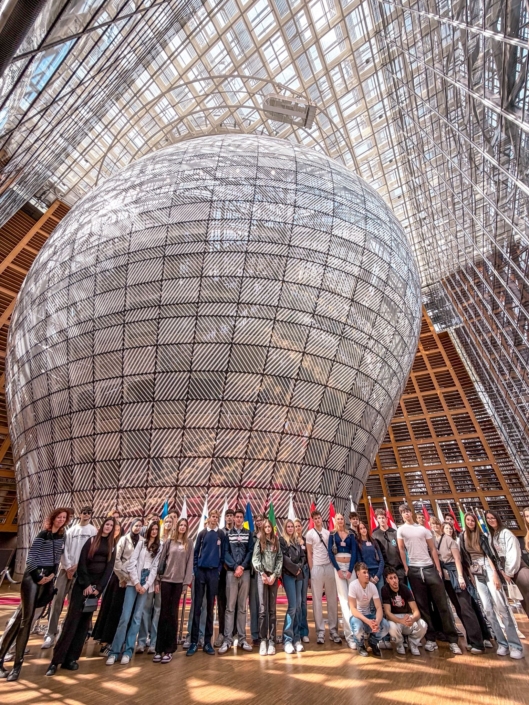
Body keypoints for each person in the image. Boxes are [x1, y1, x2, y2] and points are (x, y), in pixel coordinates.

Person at [0, 508, 70, 681]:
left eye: (64, 517)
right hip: (32, 578)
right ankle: (17, 667)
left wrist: (52, 576)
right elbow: (30, 559)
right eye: (59, 517)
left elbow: (56, 559)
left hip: (47, 580)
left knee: (20, 620)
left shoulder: (61, 536)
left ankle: (1, 658)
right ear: (53, 518)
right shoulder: (43, 534)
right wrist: (39, 577)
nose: (61, 520)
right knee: (26, 620)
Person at [45, 518, 116, 676]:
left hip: (95, 590)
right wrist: (86, 585)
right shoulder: (91, 540)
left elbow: (109, 569)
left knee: (84, 624)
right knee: (72, 621)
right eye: (107, 524)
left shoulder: (112, 545)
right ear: (102, 525)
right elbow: (82, 563)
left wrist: (98, 588)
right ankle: (56, 660)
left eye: (111, 525)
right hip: (82, 586)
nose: (108, 527)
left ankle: (71, 658)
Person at [396, 504, 462, 654]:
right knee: (423, 606)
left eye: (407, 511)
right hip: (414, 569)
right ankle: (430, 638)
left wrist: (437, 568)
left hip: (429, 567)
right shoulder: (401, 530)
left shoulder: (423, 529)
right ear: (401, 515)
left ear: (411, 513)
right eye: (403, 512)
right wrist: (406, 567)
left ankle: (452, 639)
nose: (406, 514)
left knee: (442, 604)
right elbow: (401, 549)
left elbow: (432, 549)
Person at [459, 513, 523, 659]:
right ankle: (502, 643)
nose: (470, 522)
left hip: (488, 567)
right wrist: (471, 576)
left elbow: (489, 555)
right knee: (488, 610)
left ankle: (515, 645)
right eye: (468, 520)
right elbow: (466, 559)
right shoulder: (463, 537)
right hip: (476, 571)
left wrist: (495, 574)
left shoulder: (482, 536)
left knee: (502, 607)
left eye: (472, 520)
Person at [106, 520, 162, 665]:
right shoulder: (141, 543)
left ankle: (128, 650)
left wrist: (146, 585)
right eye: (152, 529)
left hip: (146, 584)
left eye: (156, 529)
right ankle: (115, 651)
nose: (154, 531)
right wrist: (136, 582)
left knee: (137, 618)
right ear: (148, 530)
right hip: (134, 581)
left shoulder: (159, 546)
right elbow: (132, 563)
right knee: (125, 617)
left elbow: (155, 568)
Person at [42, 506, 97, 650]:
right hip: (65, 571)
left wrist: (78, 567)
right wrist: (67, 567)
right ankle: (50, 633)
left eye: (89, 513)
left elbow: (91, 553)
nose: (86, 515)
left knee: (74, 604)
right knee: (57, 600)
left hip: (81, 571)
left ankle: (66, 632)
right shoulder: (70, 531)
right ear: (80, 514)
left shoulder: (93, 531)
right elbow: (64, 550)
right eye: (84, 512)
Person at [430, 517, 485, 653]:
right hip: (446, 579)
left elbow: (457, 559)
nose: (435, 526)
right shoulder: (433, 541)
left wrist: (460, 576)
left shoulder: (449, 540)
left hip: (456, 575)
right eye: (433, 524)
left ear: (440, 526)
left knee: (466, 608)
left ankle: (478, 642)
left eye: (437, 524)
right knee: (459, 609)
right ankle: (470, 640)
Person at [93, 517, 143, 653]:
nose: (137, 528)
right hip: (119, 580)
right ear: (131, 526)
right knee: (114, 610)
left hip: (134, 580)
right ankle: (107, 641)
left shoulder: (142, 541)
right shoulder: (123, 539)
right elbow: (116, 560)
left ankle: (122, 642)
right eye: (136, 525)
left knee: (126, 613)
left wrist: (134, 578)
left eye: (140, 526)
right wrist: (123, 577)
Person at [186, 510, 226, 656]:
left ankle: (207, 642)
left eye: (217, 517)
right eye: (213, 517)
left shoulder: (221, 534)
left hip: (213, 573)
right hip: (201, 572)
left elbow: (223, 554)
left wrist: (218, 570)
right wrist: (196, 570)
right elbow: (196, 552)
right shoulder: (202, 534)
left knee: (210, 607)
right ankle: (194, 641)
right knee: (197, 606)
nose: (215, 519)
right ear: (208, 518)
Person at [154, 518, 193, 662]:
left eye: (184, 525)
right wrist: (157, 580)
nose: (182, 527)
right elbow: (161, 561)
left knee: (173, 614)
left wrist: (185, 583)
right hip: (166, 581)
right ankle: (159, 648)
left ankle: (169, 649)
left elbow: (189, 564)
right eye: (180, 525)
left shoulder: (189, 543)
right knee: (163, 613)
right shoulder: (169, 542)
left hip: (178, 583)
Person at [218, 508, 254, 653]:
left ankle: (242, 639)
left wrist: (242, 566)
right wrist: (235, 567)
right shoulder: (228, 535)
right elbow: (225, 552)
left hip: (244, 573)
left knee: (242, 607)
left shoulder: (248, 534)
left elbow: (250, 551)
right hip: (231, 573)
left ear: (243, 519)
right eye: (236, 517)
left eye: (240, 517)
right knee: (230, 607)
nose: (238, 519)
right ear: (233, 519)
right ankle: (227, 640)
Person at [485, 510, 529, 619]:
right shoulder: (492, 535)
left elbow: (512, 553)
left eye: (493, 517)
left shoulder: (506, 533)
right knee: (524, 601)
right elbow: (496, 556)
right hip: (508, 570)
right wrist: (502, 571)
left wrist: (509, 572)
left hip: (518, 569)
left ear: (497, 518)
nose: (491, 520)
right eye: (488, 518)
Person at [306, 510, 342, 645]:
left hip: (329, 566)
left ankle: (333, 631)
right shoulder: (310, 534)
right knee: (317, 601)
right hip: (317, 567)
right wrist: (312, 569)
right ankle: (320, 632)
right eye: (315, 518)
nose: (317, 520)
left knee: (332, 599)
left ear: (322, 519)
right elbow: (309, 553)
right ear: (313, 520)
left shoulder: (328, 533)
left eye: (319, 518)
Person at [328, 512, 359, 649]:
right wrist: (338, 569)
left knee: (353, 599)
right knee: (344, 601)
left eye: (341, 519)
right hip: (338, 567)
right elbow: (330, 552)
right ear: (335, 521)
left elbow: (354, 552)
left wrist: (351, 569)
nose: (340, 521)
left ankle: (357, 631)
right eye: (338, 519)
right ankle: (349, 635)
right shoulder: (332, 534)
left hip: (350, 567)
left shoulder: (351, 534)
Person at [252, 518, 283, 656]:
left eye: (269, 527)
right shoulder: (260, 541)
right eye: (265, 527)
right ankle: (263, 640)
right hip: (262, 577)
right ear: (263, 529)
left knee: (272, 610)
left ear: (272, 528)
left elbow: (280, 559)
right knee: (262, 610)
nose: (268, 529)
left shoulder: (276, 541)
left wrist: (275, 575)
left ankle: (272, 641)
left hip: (273, 578)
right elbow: (255, 558)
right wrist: (262, 573)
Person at [381, 566, 427, 654]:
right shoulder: (385, 589)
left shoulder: (405, 588)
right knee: (390, 625)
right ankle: (399, 644)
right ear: (387, 580)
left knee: (423, 624)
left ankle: (413, 643)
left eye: (395, 577)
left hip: (407, 616)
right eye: (391, 578)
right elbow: (387, 613)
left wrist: (412, 619)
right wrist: (400, 621)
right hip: (395, 619)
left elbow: (416, 611)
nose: (394, 580)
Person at [348, 562, 389, 657]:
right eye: (364, 572)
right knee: (358, 627)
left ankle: (373, 642)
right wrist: (368, 622)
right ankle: (360, 644)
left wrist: (377, 622)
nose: (367, 575)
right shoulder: (353, 586)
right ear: (358, 574)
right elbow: (353, 609)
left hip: (369, 615)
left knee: (385, 625)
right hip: (357, 617)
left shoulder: (372, 586)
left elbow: (379, 607)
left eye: (367, 572)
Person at [279, 519, 304, 654]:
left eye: (291, 526)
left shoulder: (297, 540)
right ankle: (287, 639)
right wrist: (295, 569)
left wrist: (299, 567)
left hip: (298, 576)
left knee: (298, 607)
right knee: (292, 607)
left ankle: (297, 638)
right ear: (285, 528)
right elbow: (284, 558)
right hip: (289, 575)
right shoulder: (282, 540)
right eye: (288, 526)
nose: (290, 528)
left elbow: (303, 557)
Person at [215, 508, 235, 647]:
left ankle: (233, 633)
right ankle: (222, 633)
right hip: (222, 573)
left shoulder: (238, 533)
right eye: (227, 515)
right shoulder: (220, 533)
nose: (229, 518)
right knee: (222, 603)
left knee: (234, 603)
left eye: (231, 515)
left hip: (235, 571)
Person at [373, 509, 406, 583]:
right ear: (377, 519)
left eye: (383, 517)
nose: (382, 520)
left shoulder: (395, 532)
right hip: (386, 569)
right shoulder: (375, 535)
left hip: (399, 568)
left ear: (386, 519)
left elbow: (402, 549)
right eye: (379, 518)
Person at [357, 521, 385, 596]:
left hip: (378, 573)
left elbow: (381, 559)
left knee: (381, 597)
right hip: (366, 574)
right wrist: (368, 576)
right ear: (359, 531)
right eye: (361, 528)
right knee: (371, 599)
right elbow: (360, 562)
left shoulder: (374, 542)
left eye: (364, 528)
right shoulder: (358, 544)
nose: (363, 530)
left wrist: (378, 575)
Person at [249, 513, 265, 645]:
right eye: (257, 520)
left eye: (261, 520)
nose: (259, 522)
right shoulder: (251, 535)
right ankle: (255, 634)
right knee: (254, 604)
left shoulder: (269, 534)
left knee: (263, 604)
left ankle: (263, 633)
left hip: (266, 573)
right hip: (254, 573)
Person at [294, 518, 310, 643]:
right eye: (295, 526)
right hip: (294, 571)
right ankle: (296, 631)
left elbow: (309, 557)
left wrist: (309, 577)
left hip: (305, 571)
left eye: (299, 525)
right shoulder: (291, 540)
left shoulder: (305, 540)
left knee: (303, 602)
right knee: (296, 602)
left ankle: (304, 631)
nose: (297, 528)